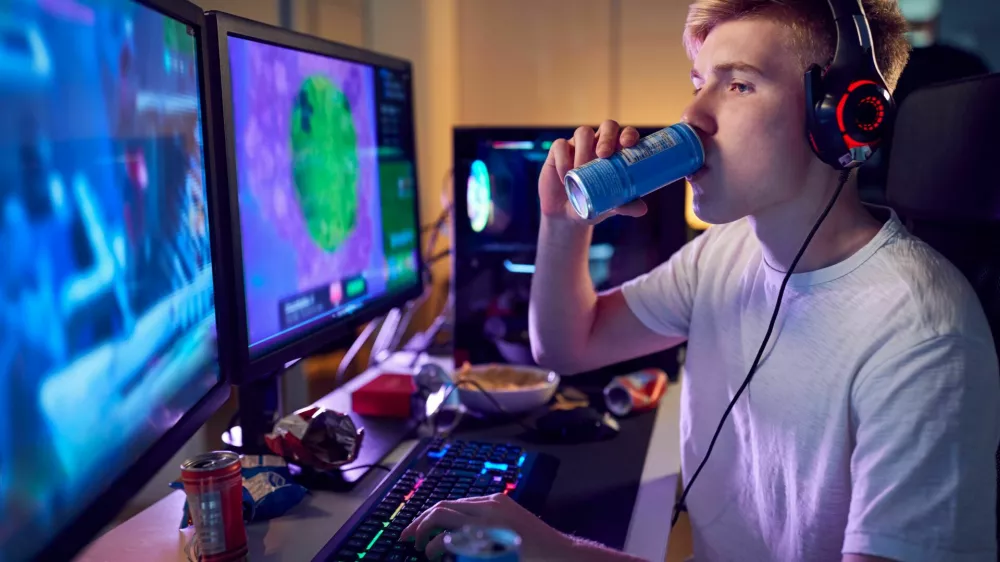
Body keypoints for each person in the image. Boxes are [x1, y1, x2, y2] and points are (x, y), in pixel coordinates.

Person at [401, 0, 1000, 560]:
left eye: (738, 83)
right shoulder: (723, 254)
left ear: (839, 117)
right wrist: (563, 222)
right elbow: (567, 345)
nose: (690, 115)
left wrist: (558, 552)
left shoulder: (923, 335)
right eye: (697, 82)